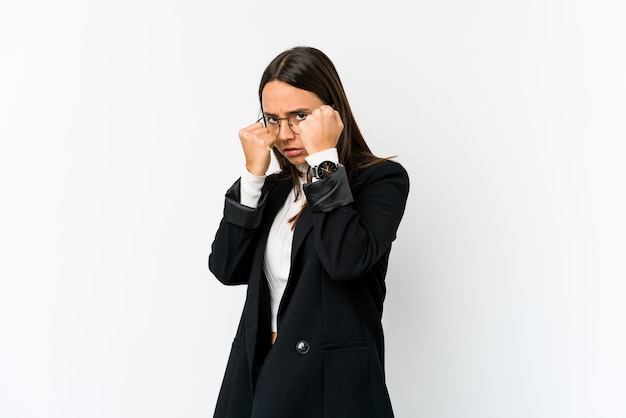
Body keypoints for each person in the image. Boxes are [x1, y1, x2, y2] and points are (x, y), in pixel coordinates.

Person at [208, 46, 410, 418]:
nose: (285, 134)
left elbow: (346, 261)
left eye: (300, 116)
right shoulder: (271, 191)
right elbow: (226, 268)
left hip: (330, 387)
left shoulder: (380, 181)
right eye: (273, 119)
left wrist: (323, 160)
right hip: (256, 372)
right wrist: (253, 177)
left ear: (331, 113)